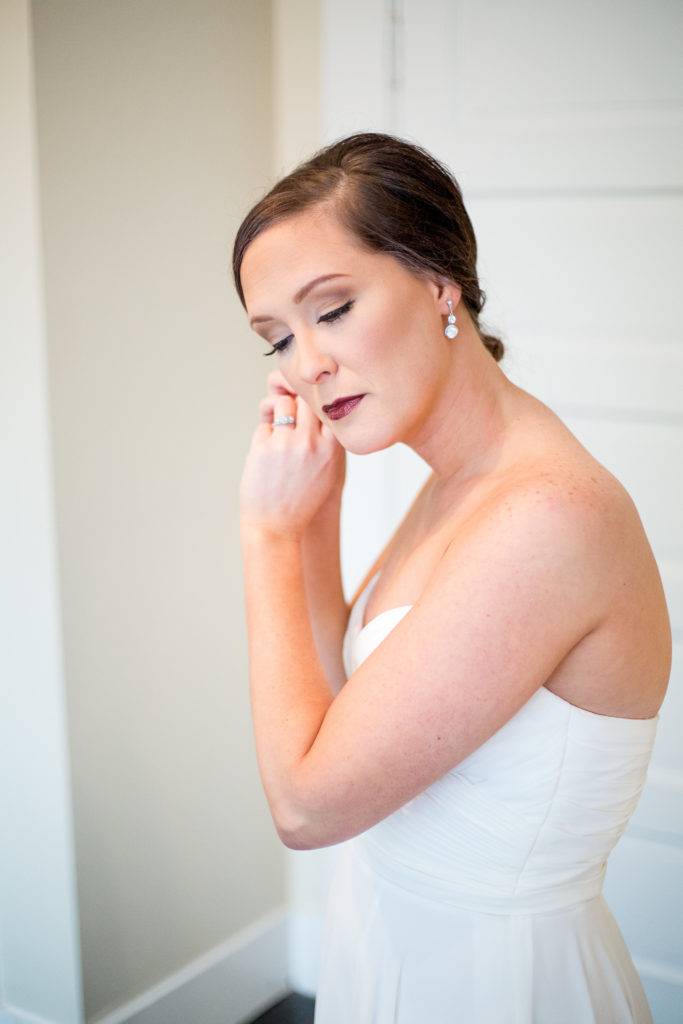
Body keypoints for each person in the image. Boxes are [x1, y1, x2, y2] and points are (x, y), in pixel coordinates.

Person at [233, 132, 671, 1024]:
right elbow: (340, 713)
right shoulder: (458, 484)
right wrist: (314, 517)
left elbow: (306, 808)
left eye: (332, 309)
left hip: (495, 982)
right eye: (275, 339)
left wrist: (267, 539)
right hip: (386, 939)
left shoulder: (549, 516)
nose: (305, 365)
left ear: (439, 281)